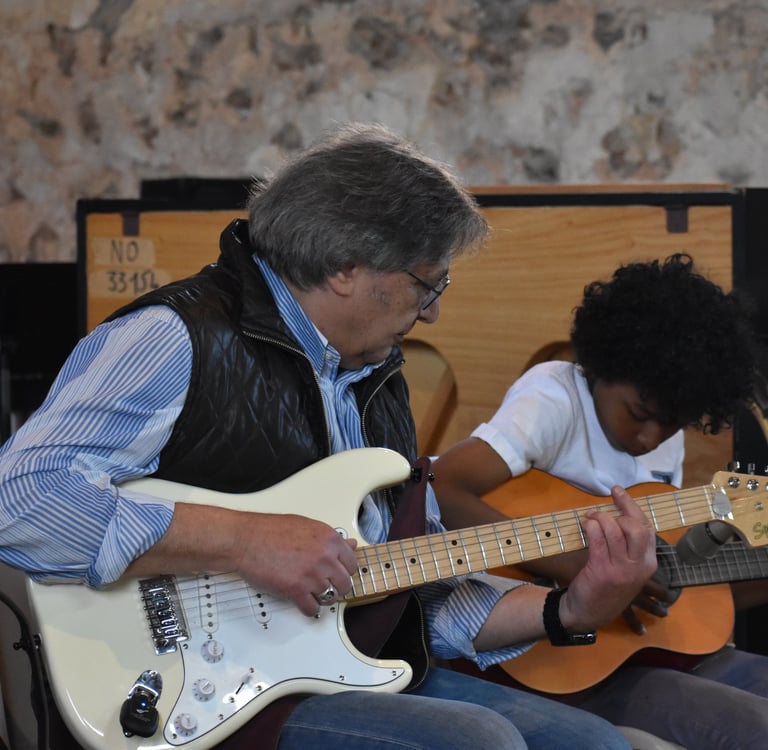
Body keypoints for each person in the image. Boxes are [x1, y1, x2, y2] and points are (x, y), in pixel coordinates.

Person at [0, 123, 659, 750]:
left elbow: (404, 594)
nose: (434, 311)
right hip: (197, 694)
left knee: (594, 743)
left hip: (336, 669)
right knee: (477, 741)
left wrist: (570, 609)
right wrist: (244, 540)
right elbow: (19, 501)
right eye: (426, 283)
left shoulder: (376, 376)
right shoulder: (175, 337)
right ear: (346, 267)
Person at [433, 253, 768, 750]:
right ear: (603, 364)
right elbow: (439, 488)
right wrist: (581, 570)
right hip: (548, 657)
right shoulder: (555, 399)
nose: (650, 438)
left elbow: (665, 557)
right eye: (639, 413)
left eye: (671, 425)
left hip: (633, 651)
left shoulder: (663, 438)